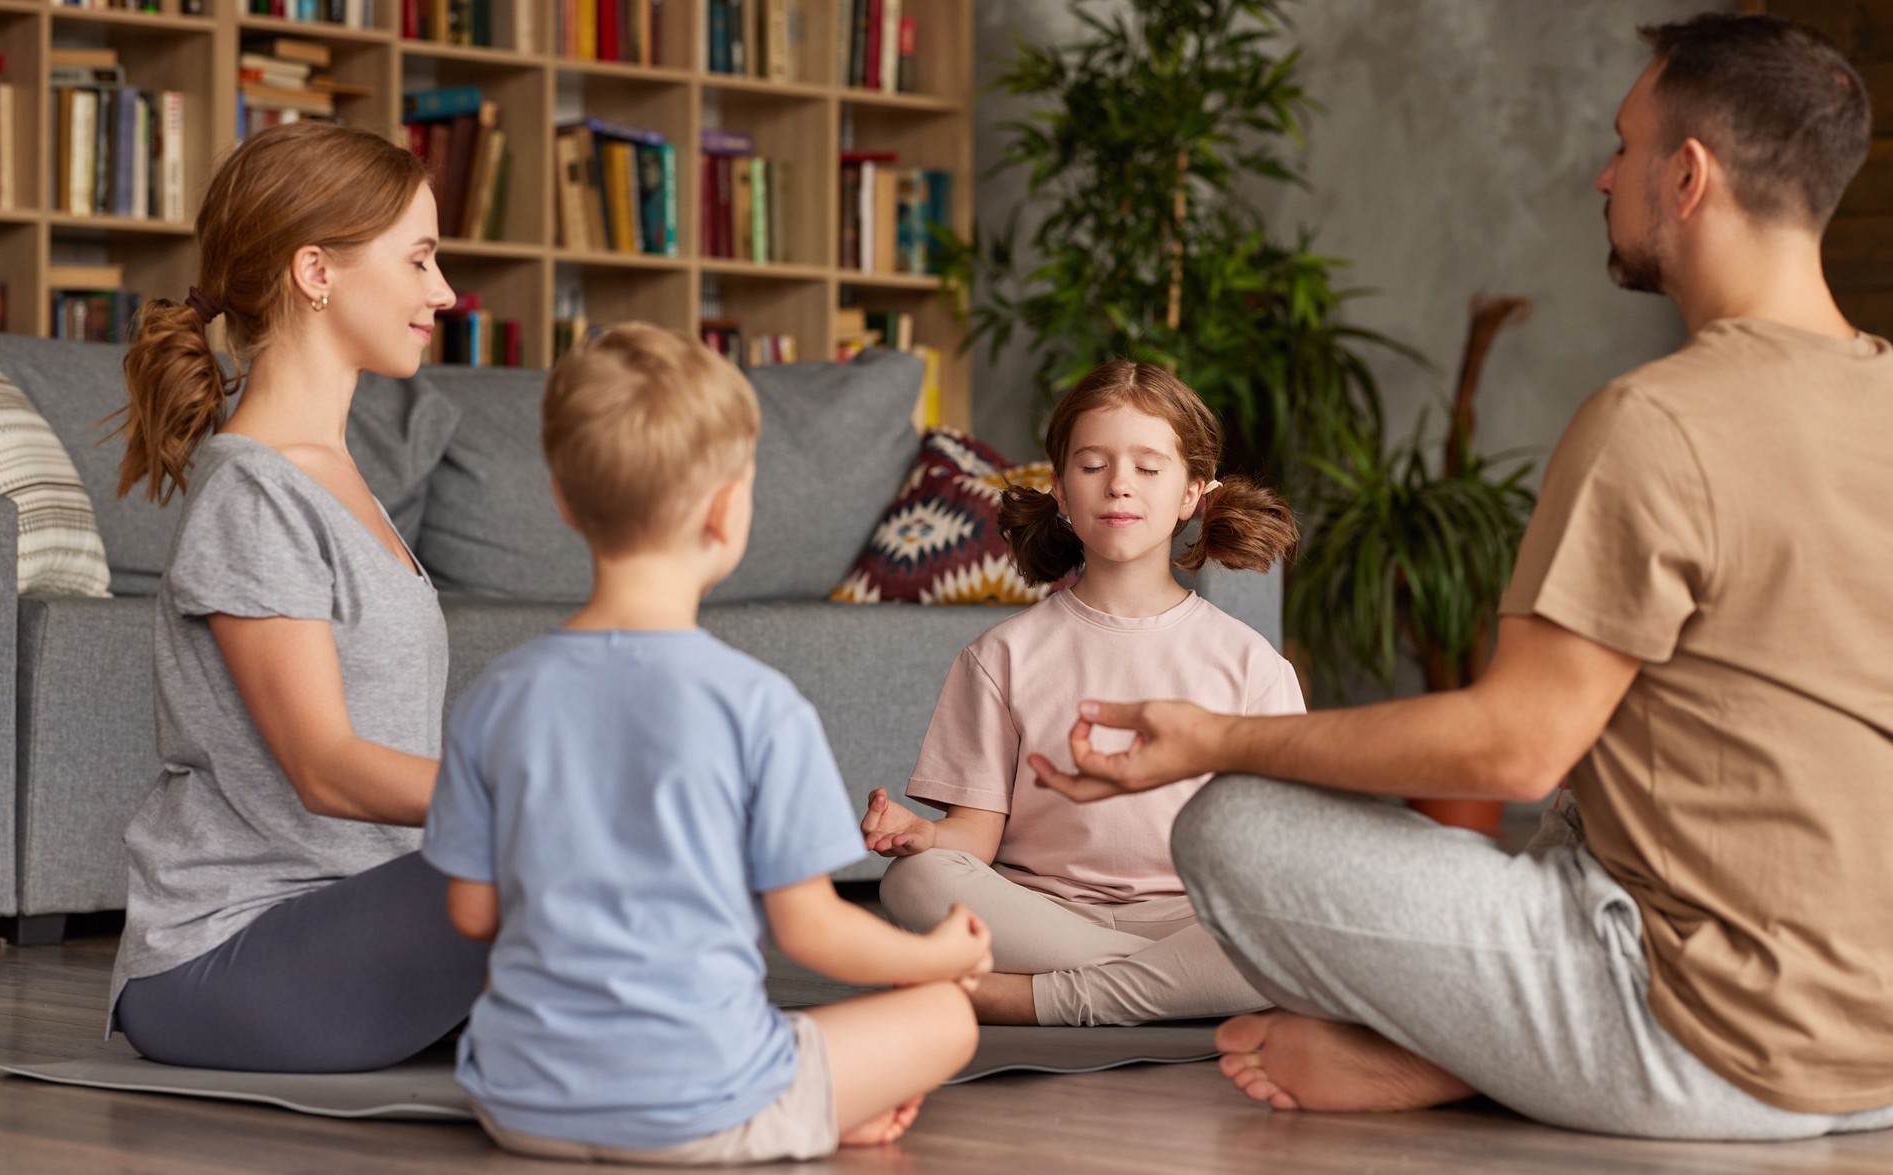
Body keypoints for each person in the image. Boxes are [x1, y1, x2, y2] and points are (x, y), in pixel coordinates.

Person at [1032, 13, 1893, 1142]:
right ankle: (1468, 1056)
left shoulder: (1658, 419)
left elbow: (1515, 746)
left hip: (1711, 1045)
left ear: (1687, 177)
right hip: (1875, 1043)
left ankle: (1461, 1058)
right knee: (1610, 788)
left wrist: (1214, 738)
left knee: (1231, 826)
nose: (1603, 172)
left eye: (1624, 145)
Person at [421, 324, 992, 1165]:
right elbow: (812, 934)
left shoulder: (492, 697)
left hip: (521, 1101)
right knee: (945, 1015)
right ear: (728, 510)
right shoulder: (761, 707)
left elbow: (472, 913)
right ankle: (808, 1113)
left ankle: (806, 1105)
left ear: (562, 502)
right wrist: (932, 954)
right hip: (697, 1106)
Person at [106, 121, 489, 1072]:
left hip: (354, 925)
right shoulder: (253, 494)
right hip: (230, 952)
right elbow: (325, 768)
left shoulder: (337, 478)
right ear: (316, 270)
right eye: (420, 260)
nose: (442, 293)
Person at [861, 359, 1302, 1027]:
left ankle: (1029, 997)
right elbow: (972, 840)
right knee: (913, 883)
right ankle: (1166, 985)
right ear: (1061, 492)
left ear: (1191, 493)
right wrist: (924, 834)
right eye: (1093, 464)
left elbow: (1271, 852)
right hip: (1039, 913)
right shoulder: (1000, 656)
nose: (1120, 484)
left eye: (1149, 467)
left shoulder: (1252, 664)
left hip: (1192, 913)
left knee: (1294, 925)